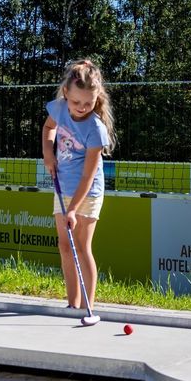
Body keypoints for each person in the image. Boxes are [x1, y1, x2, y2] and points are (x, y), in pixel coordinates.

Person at [43, 59, 115, 310]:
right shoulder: (61, 108)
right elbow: (48, 128)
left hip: (88, 192)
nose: (82, 107)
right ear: (66, 93)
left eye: (88, 103)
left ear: (97, 98)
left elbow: (88, 176)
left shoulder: (96, 130)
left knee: (82, 248)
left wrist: (73, 209)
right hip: (63, 186)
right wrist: (48, 154)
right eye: (76, 102)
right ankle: (71, 305)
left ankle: (87, 306)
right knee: (65, 246)